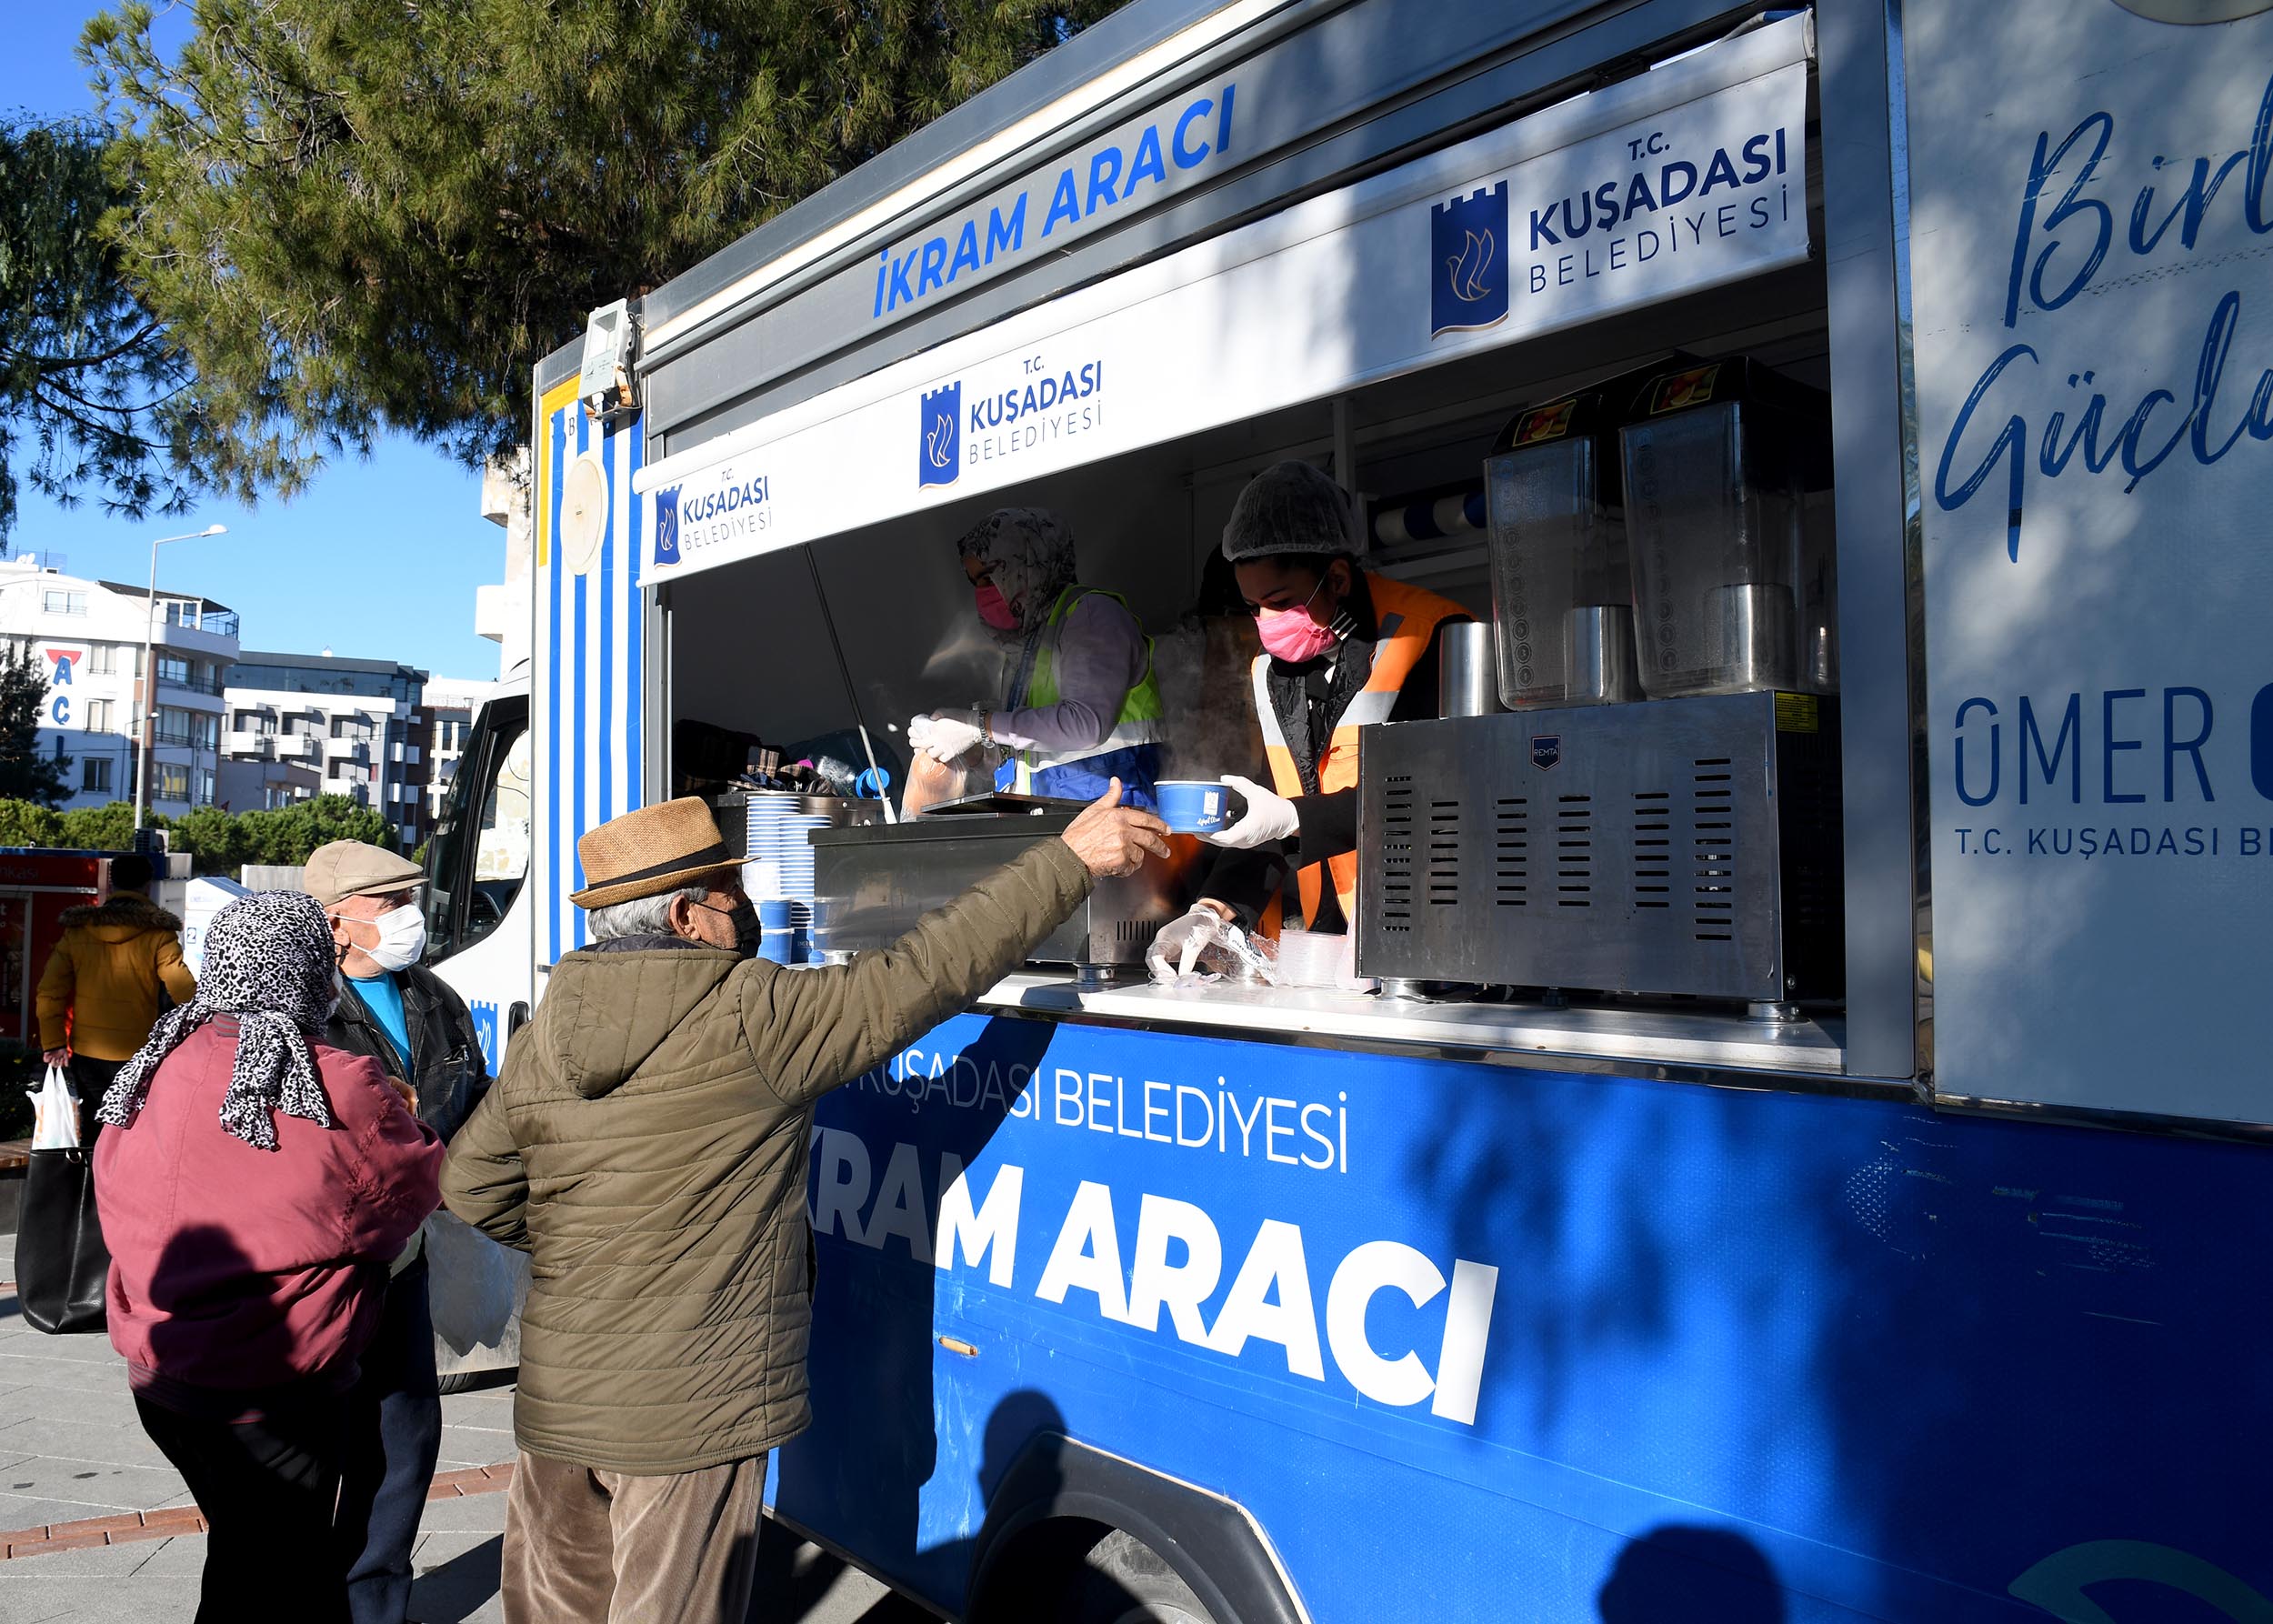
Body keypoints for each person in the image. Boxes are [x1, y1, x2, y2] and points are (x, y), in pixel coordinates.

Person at [440, 785, 1167, 1624]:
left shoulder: (552, 1023)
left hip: (558, 1402)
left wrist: (586, 1245)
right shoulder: (753, 1011)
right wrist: (1067, 861)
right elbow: (924, 972)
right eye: (730, 891)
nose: (745, 905)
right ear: (684, 915)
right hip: (689, 1412)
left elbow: (470, 1184)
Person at [92, 891, 444, 1624]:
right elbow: (409, 1192)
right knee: (269, 1577)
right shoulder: (338, 1081)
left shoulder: (161, 1062)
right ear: (314, 970)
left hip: (161, 1371)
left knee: (252, 1556)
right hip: (275, 1384)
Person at [1151, 460, 1472, 970]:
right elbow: (1270, 808)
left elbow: (1436, 793)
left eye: (1279, 601)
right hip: (1333, 944)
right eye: (1253, 607)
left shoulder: (1432, 636)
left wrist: (1295, 818)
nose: (1266, 624)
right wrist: (1212, 908)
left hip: (1429, 934)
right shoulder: (1271, 671)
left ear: (1337, 578)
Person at [305, 839, 490, 1624]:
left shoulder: (432, 995)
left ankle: (376, 1603)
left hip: (409, 1250)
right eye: (389, 904)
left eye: (411, 900)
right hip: (332, 1257)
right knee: (324, 1437)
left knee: (404, 1434)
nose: (410, 917)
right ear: (334, 922)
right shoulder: (306, 1004)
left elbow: (471, 1089)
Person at [909, 506, 1166, 809]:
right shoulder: (1029, 641)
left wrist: (977, 725)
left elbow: (1086, 725)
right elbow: (1027, 749)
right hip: (1059, 820)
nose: (982, 593)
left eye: (988, 577)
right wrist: (975, 750)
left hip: (1117, 813)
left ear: (1026, 563)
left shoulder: (1091, 615)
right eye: (975, 582)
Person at [36, 852, 195, 1140]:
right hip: (138, 1053)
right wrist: (205, 1024)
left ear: (111, 885)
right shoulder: (158, 933)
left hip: (87, 1052)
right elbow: (181, 987)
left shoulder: (79, 930)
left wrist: (54, 1042)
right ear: (147, 886)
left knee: (93, 1128)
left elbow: (50, 991)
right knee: (132, 1130)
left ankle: (92, 1170)